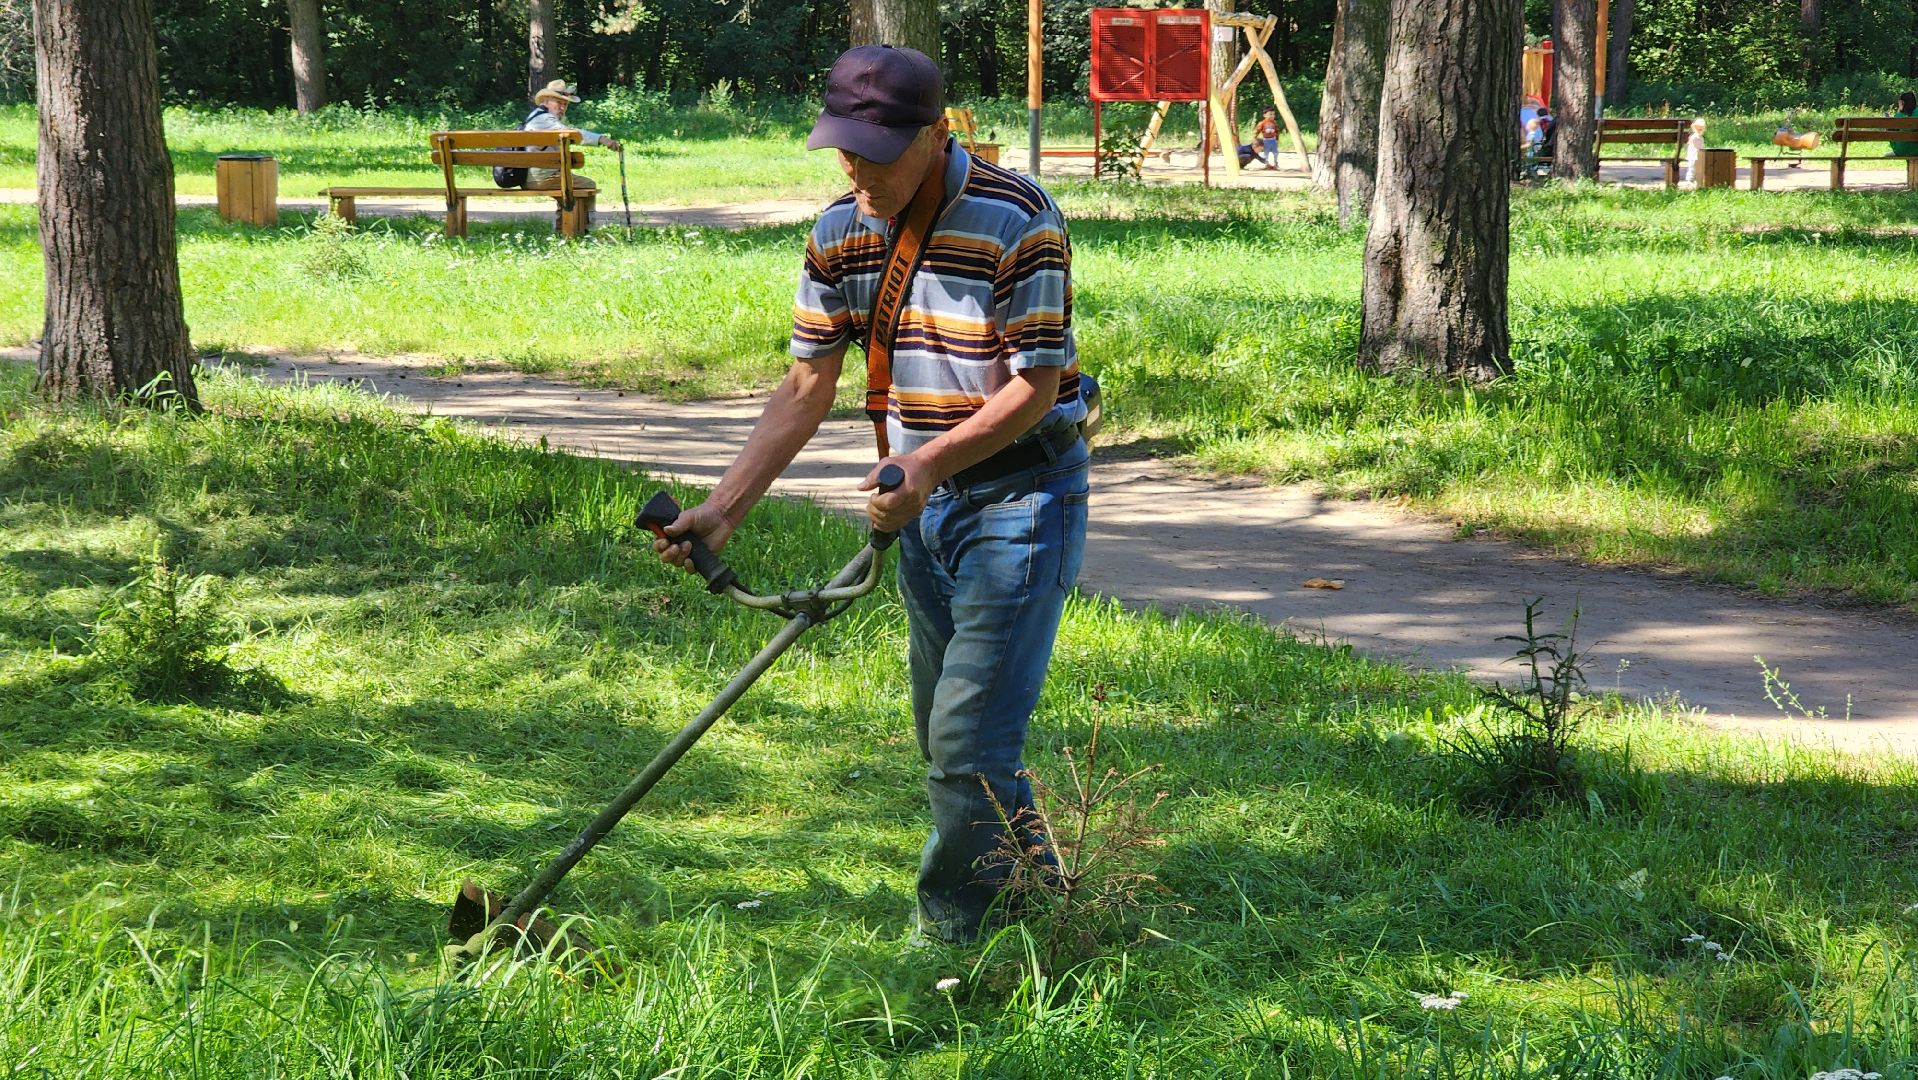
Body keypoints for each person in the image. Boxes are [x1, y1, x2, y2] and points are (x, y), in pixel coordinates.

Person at [652, 44, 1090, 946]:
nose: (858, 170)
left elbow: (1035, 387)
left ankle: (957, 945)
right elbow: (806, 385)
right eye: (843, 149)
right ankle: (1045, 899)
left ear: (937, 134)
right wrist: (724, 510)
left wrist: (927, 464)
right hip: (924, 511)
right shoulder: (837, 232)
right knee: (949, 739)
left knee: (967, 744)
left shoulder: (1019, 222)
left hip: (1022, 500)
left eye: (878, 152)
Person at [519, 79, 622, 191]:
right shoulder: (544, 119)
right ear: (546, 101)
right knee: (588, 185)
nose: (562, 108)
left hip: (532, 177)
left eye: (565, 104)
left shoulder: (536, 116)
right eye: (559, 103)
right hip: (540, 178)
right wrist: (602, 139)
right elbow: (572, 134)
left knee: (567, 183)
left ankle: (564, 209)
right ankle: (587, 210)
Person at [1891, 91, 1918, 157]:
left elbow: (1893, 130)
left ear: (1902, 103)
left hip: (1900, 151)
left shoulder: (1898, 115)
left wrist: (1899, 110)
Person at [1683, 117, 1706, 185]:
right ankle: (1690, 180)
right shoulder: (1694, 137)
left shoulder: (1700, 137)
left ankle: (1696, 180)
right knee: (1692, 168)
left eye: (1701, 129)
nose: (1700, 130)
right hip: (1693, 155)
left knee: (1697, 168)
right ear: (1694, 128)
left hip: (1698, 156)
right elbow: (1694, 145)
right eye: (1698, 129)